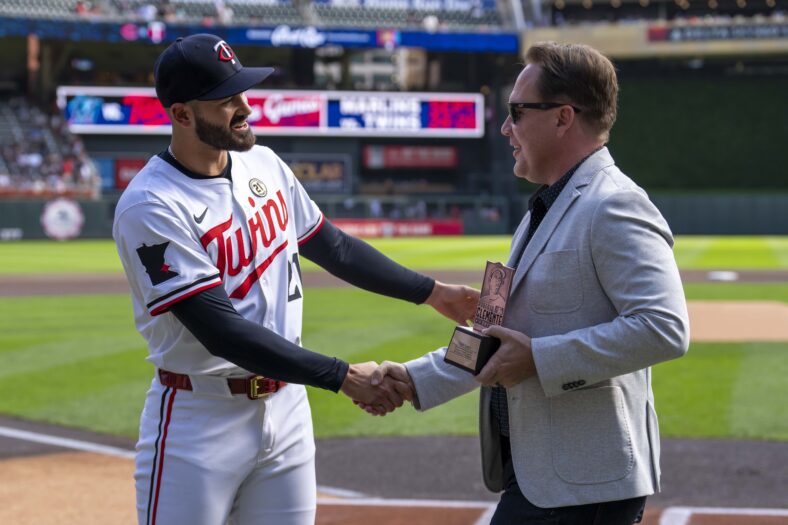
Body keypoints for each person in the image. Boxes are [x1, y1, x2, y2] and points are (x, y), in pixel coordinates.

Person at [112, 34, 479, 525]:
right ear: (181, 114)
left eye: (243, 91)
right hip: (199, 420)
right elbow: (223, 332)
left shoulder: (264, 164)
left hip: (287, 411)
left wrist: (434, 293)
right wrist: (343, 376)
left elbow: (334, 247)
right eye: (226, 100)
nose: (245, 107)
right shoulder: (151, 204)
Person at [367, 42, 690, 524]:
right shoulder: (540, 211)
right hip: (538, 476)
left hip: (586, 488)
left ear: (563, 117)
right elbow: (489, 334)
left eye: (517, 112)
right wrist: (414, 379)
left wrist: (538, 359)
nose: (505, 127)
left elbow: (664, 328)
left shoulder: (615, 204)